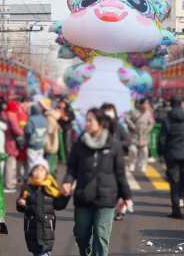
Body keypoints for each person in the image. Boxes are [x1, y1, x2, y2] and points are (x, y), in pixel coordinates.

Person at [62, 108, 132, 256]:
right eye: (86, 120)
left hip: (106, 197)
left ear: (100, 124)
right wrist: (67, 181)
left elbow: (120, 173)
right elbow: (71, 167)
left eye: (90, 120)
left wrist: (126, 196)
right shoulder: (80, 143)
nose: (86, 123)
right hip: (84, 196)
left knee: (101, 235)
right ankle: (84, 250)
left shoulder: (113, 145)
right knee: (81, 235)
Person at [17, 157, 70, 256]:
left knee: (43, 252)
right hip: (32, 229)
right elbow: (21, 207)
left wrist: (65, 196)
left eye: (41, 170)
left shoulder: (50, 189)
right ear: (31, 172)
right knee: (36, 252)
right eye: (35, 169)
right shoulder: (27, 188)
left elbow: (59, 205)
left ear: (46, 173)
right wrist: (21, 203)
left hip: (46, 229)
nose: (38, 173)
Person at [159, 97, 184, 219]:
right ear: (181, 103)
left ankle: (176, 211)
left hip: (172, 154)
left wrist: (162, 153)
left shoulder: (167, 118)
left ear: (171, 105)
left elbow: (162, 138)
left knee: (174, 182)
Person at [125, 99, 155, 173]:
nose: (147, 105)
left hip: (143, 135)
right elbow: (126, 118)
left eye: (148, 104)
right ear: (141, 104)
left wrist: (148, 130)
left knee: (145, 151)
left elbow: (152, 123)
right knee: (133, 150)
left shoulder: (148, 113)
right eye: (145, 104)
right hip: (134, 135)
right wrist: (132, 125)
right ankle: (132, 163)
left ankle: (143, 164)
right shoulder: (133, 111)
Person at [3, 99, 24, 192]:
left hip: (5, 141)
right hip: (11, 142)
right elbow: (16, 130)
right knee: (10, 164)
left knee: (8, 163)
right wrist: (22, 131)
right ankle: (10, 185)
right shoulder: (11, 116)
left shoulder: (4, 115)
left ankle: (7, 183)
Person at [25, 103, 48, 167]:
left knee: (32, 164)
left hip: (32, 145)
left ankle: (33, 176)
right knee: (39, 163)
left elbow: (28, 131)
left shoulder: (31, 120)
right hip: (41, 144)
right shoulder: (44, 119)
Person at [42, 99, 61, 175]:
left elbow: (49, 131)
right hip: (52, 142)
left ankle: (47, 175)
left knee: (47, 161)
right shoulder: (52, 116)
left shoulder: (49, 117)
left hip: (49, 143)